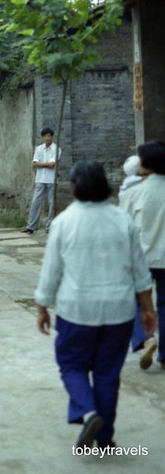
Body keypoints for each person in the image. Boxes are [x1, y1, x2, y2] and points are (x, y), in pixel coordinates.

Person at [36, 160, 156, 450]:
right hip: (119, 312)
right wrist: (148, 308)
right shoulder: (122, 220)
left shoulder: (64, 222)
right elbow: (139, 270)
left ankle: (88, 412)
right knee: (107, 374)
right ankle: (104, 440)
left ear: (75, 187)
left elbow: (51, 271)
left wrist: (42, 305)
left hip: (77, 311)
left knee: (72, 365)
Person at [121, 141, 165, 371]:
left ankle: (146, 338)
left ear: (145, 165)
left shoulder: (133, 193)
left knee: (134, 302)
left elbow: (127, 231)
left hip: (142, 258)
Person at [22, 127, 61, 235]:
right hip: (40, 179)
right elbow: (34, 164)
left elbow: (52, 164)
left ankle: (49, 226)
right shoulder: (39, 149)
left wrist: (41, 164)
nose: (47, 138)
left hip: (51, 180)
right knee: (35, 202)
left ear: (52, 137)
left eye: (49, 135)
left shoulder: (56, 149)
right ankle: (31, 226)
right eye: (45, 136)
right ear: (43, 137)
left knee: (52, 203)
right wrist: (45, 164)